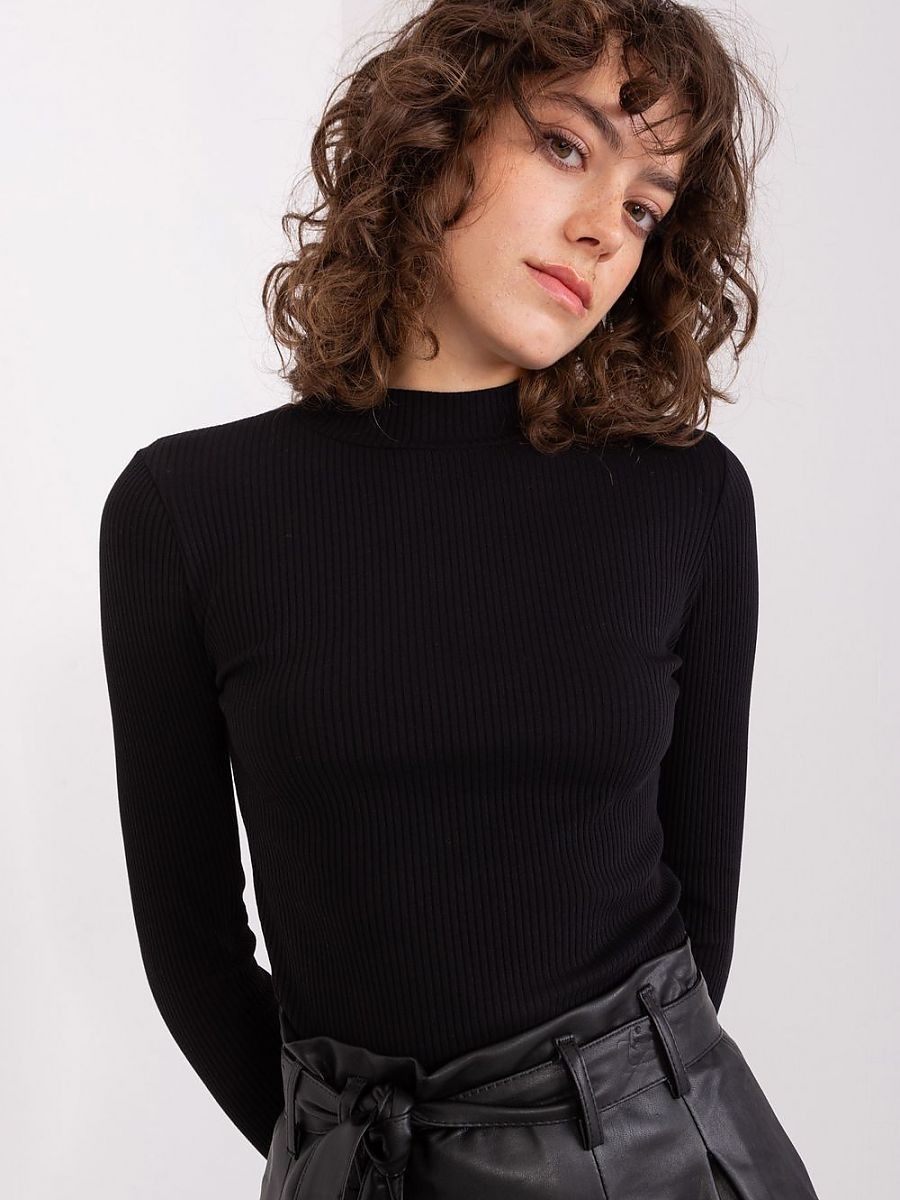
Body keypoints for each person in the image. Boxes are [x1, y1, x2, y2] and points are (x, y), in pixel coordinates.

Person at [98, 1, 821, 1196]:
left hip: (650, 1162)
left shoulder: (685, 500)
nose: (604, 229)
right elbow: (191, 954)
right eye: (567, 145)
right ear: (435, 131)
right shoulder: (187, 511)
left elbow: (701, 929)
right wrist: (358, 1152)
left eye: (646, 206)